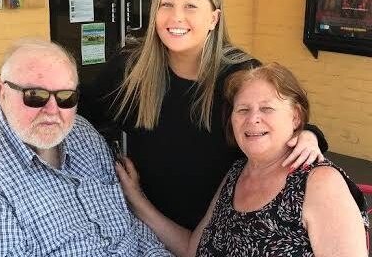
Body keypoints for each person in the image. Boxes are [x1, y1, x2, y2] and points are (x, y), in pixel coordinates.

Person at [78, 0, 328, 230]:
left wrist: (309, 135)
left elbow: (281, 122)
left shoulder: (241, 74)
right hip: (149, 228)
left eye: (191, 6)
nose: (176, 17)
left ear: (214, 18)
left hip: (223, 231)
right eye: (166, 4)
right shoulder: (131, 68)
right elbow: (79, 112)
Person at [117, 62, 369, 257]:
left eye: (267, 108)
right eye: (243, 110)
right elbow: (192, 249)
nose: (253, 119)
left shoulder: (319, 183)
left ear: (295, 117)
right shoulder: (237, 172)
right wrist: (136, 199)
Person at [0, 38, 173, 256]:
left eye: (66, 97)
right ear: (2, 92)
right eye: (35, 96)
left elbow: (131, 225)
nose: (52, 110)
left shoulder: (82, 133)